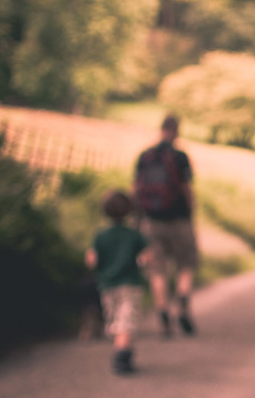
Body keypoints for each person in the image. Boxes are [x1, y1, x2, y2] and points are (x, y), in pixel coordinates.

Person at [134, 114, 199, 337]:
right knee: (186, 264)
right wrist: (191, 215)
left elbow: (135, 189)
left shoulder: (145, 156)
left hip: (151, 220)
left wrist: (137, 219)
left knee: (157, 270)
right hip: (179, 219)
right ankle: (182, 299)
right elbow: (186, 189)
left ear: (160, 129)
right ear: (177, 130)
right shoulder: (180, 157)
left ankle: (162, 313)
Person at [85, 190, 151, 374]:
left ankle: (122, 350)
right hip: (130, 284)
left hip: (107, 285)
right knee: (126, 320)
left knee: (115, 319)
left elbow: (91, 260)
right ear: (129, 210)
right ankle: (122, 355)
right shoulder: (134, 235)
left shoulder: (100, 235)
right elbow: (147, 258)